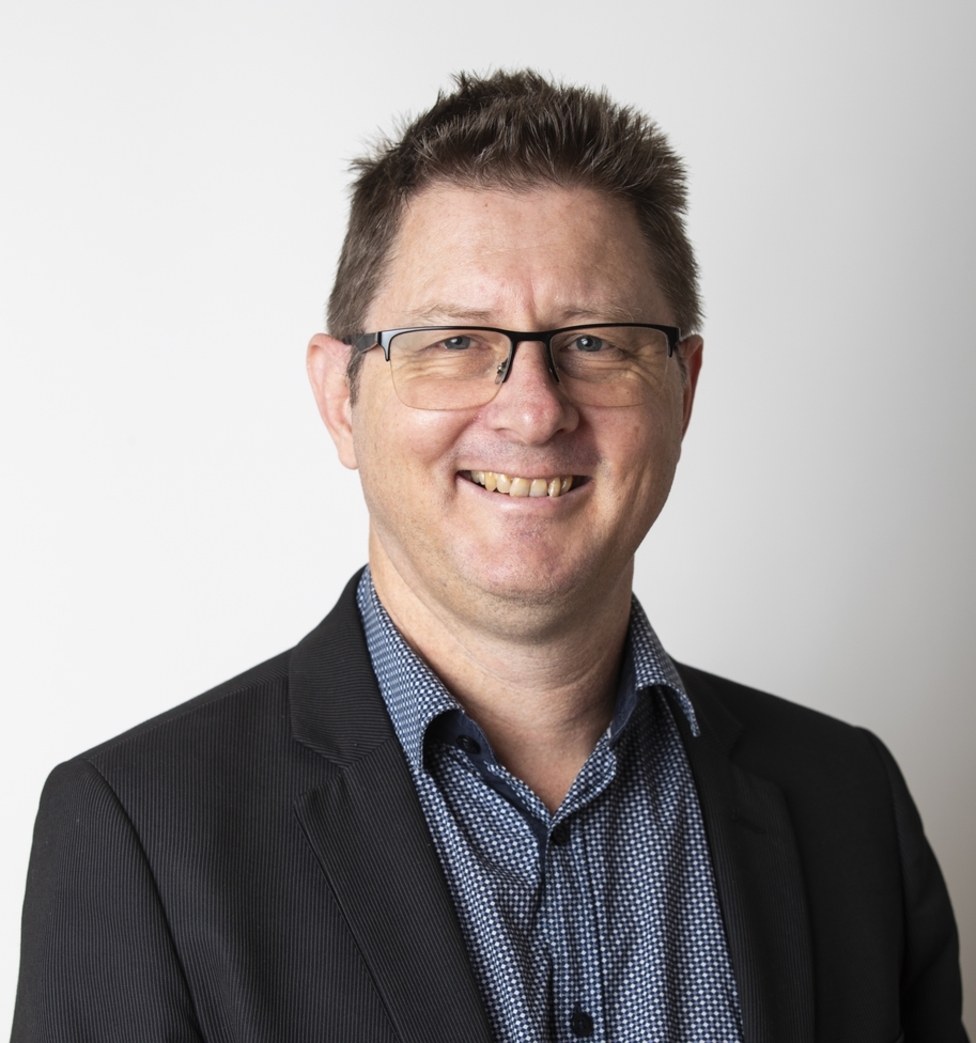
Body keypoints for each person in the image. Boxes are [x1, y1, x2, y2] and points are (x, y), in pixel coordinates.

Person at [11, 70, 966, 1043]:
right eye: (456, 340)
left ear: (681, 391)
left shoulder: (849, 804)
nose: (534, 409)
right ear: (341, 398)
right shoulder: (139, 837)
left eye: (594, 341)